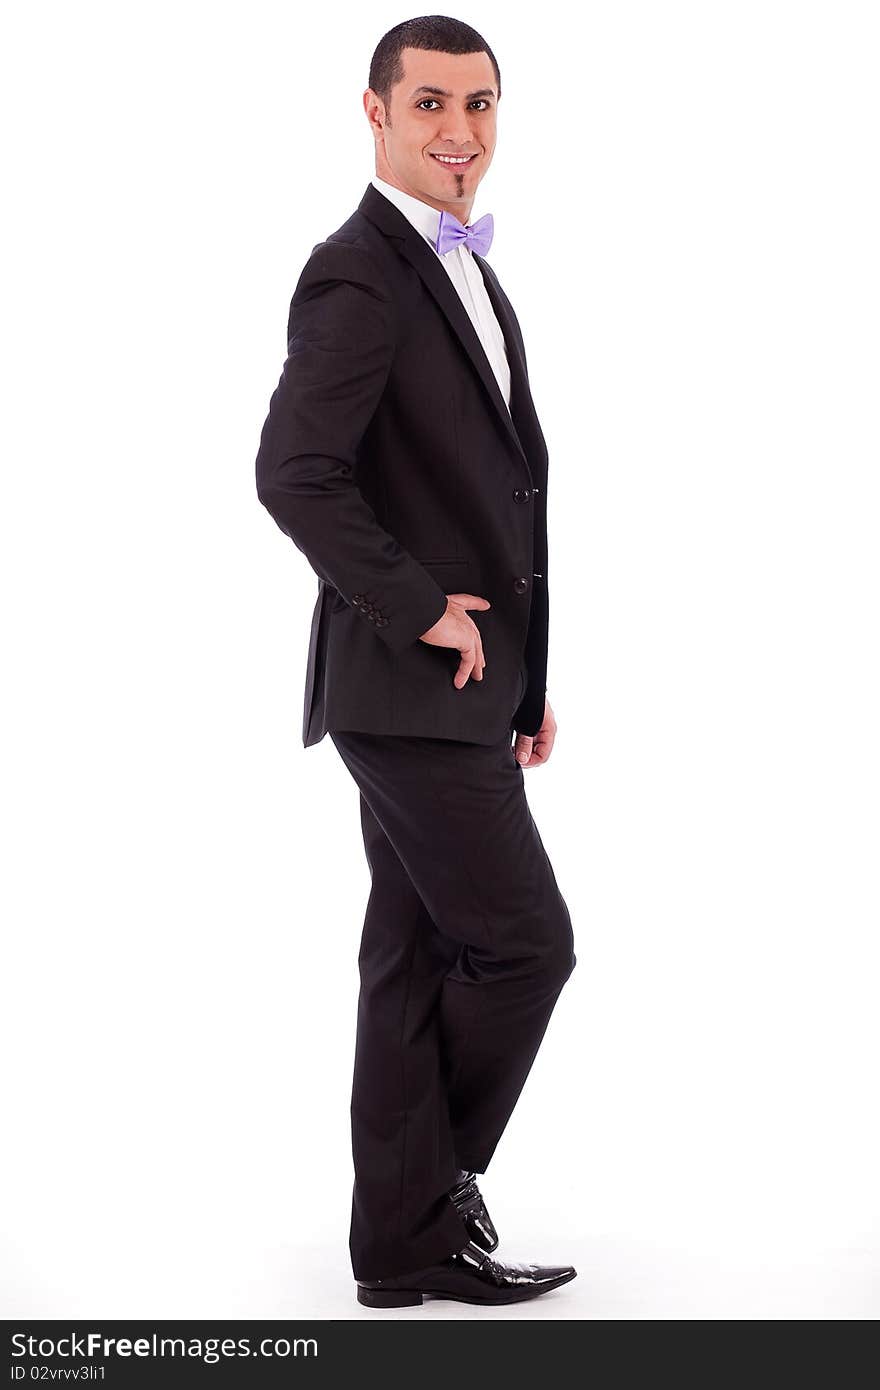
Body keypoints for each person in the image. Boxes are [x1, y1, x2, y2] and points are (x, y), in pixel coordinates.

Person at [255, 15, 577, 1309]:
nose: (462, 133)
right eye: (433, 103)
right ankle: (427, 1198)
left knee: (409, 954)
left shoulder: (468, 275)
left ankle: (398, 1247)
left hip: (458, 694)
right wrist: (416, 609)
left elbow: (500, 497)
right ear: (377, 113)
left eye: (483, 105)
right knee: (525, 943)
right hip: (404, 681)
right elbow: (293, 470)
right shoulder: (359, 271)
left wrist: (528, 680)